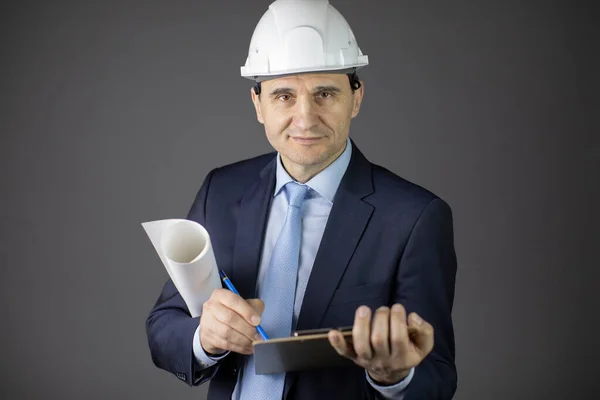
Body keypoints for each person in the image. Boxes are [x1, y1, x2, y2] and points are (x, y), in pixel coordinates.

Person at [146, 0, 457, 399]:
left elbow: (438, 377)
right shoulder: (221, 191)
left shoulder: (414, 218)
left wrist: (393, 376)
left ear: (356, 98)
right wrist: (204, 338)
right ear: (258, 104)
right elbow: (164, 326)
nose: (305, 118)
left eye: (325, 93)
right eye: (283, 96)